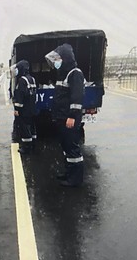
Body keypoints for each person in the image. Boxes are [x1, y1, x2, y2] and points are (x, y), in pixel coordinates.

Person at [45, 44, 85, 187]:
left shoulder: (75, 73)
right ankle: (68, 173)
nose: (57, 61)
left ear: (66, 58)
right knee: (66, 147)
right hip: (62, 117)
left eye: (59, 58)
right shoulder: (64, 73)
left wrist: (72, 116)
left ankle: (75, 179)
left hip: (69, 118)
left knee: (72, 148)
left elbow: (76, 98)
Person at [12, 60, 37, 154]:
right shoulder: (32, 79)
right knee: (32, 127)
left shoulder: (22, 80)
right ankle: (33, 143)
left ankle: (26, 147)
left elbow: (20, 95)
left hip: (24, 109)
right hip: (32, 108)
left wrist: (17, 109)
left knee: (25, 127)